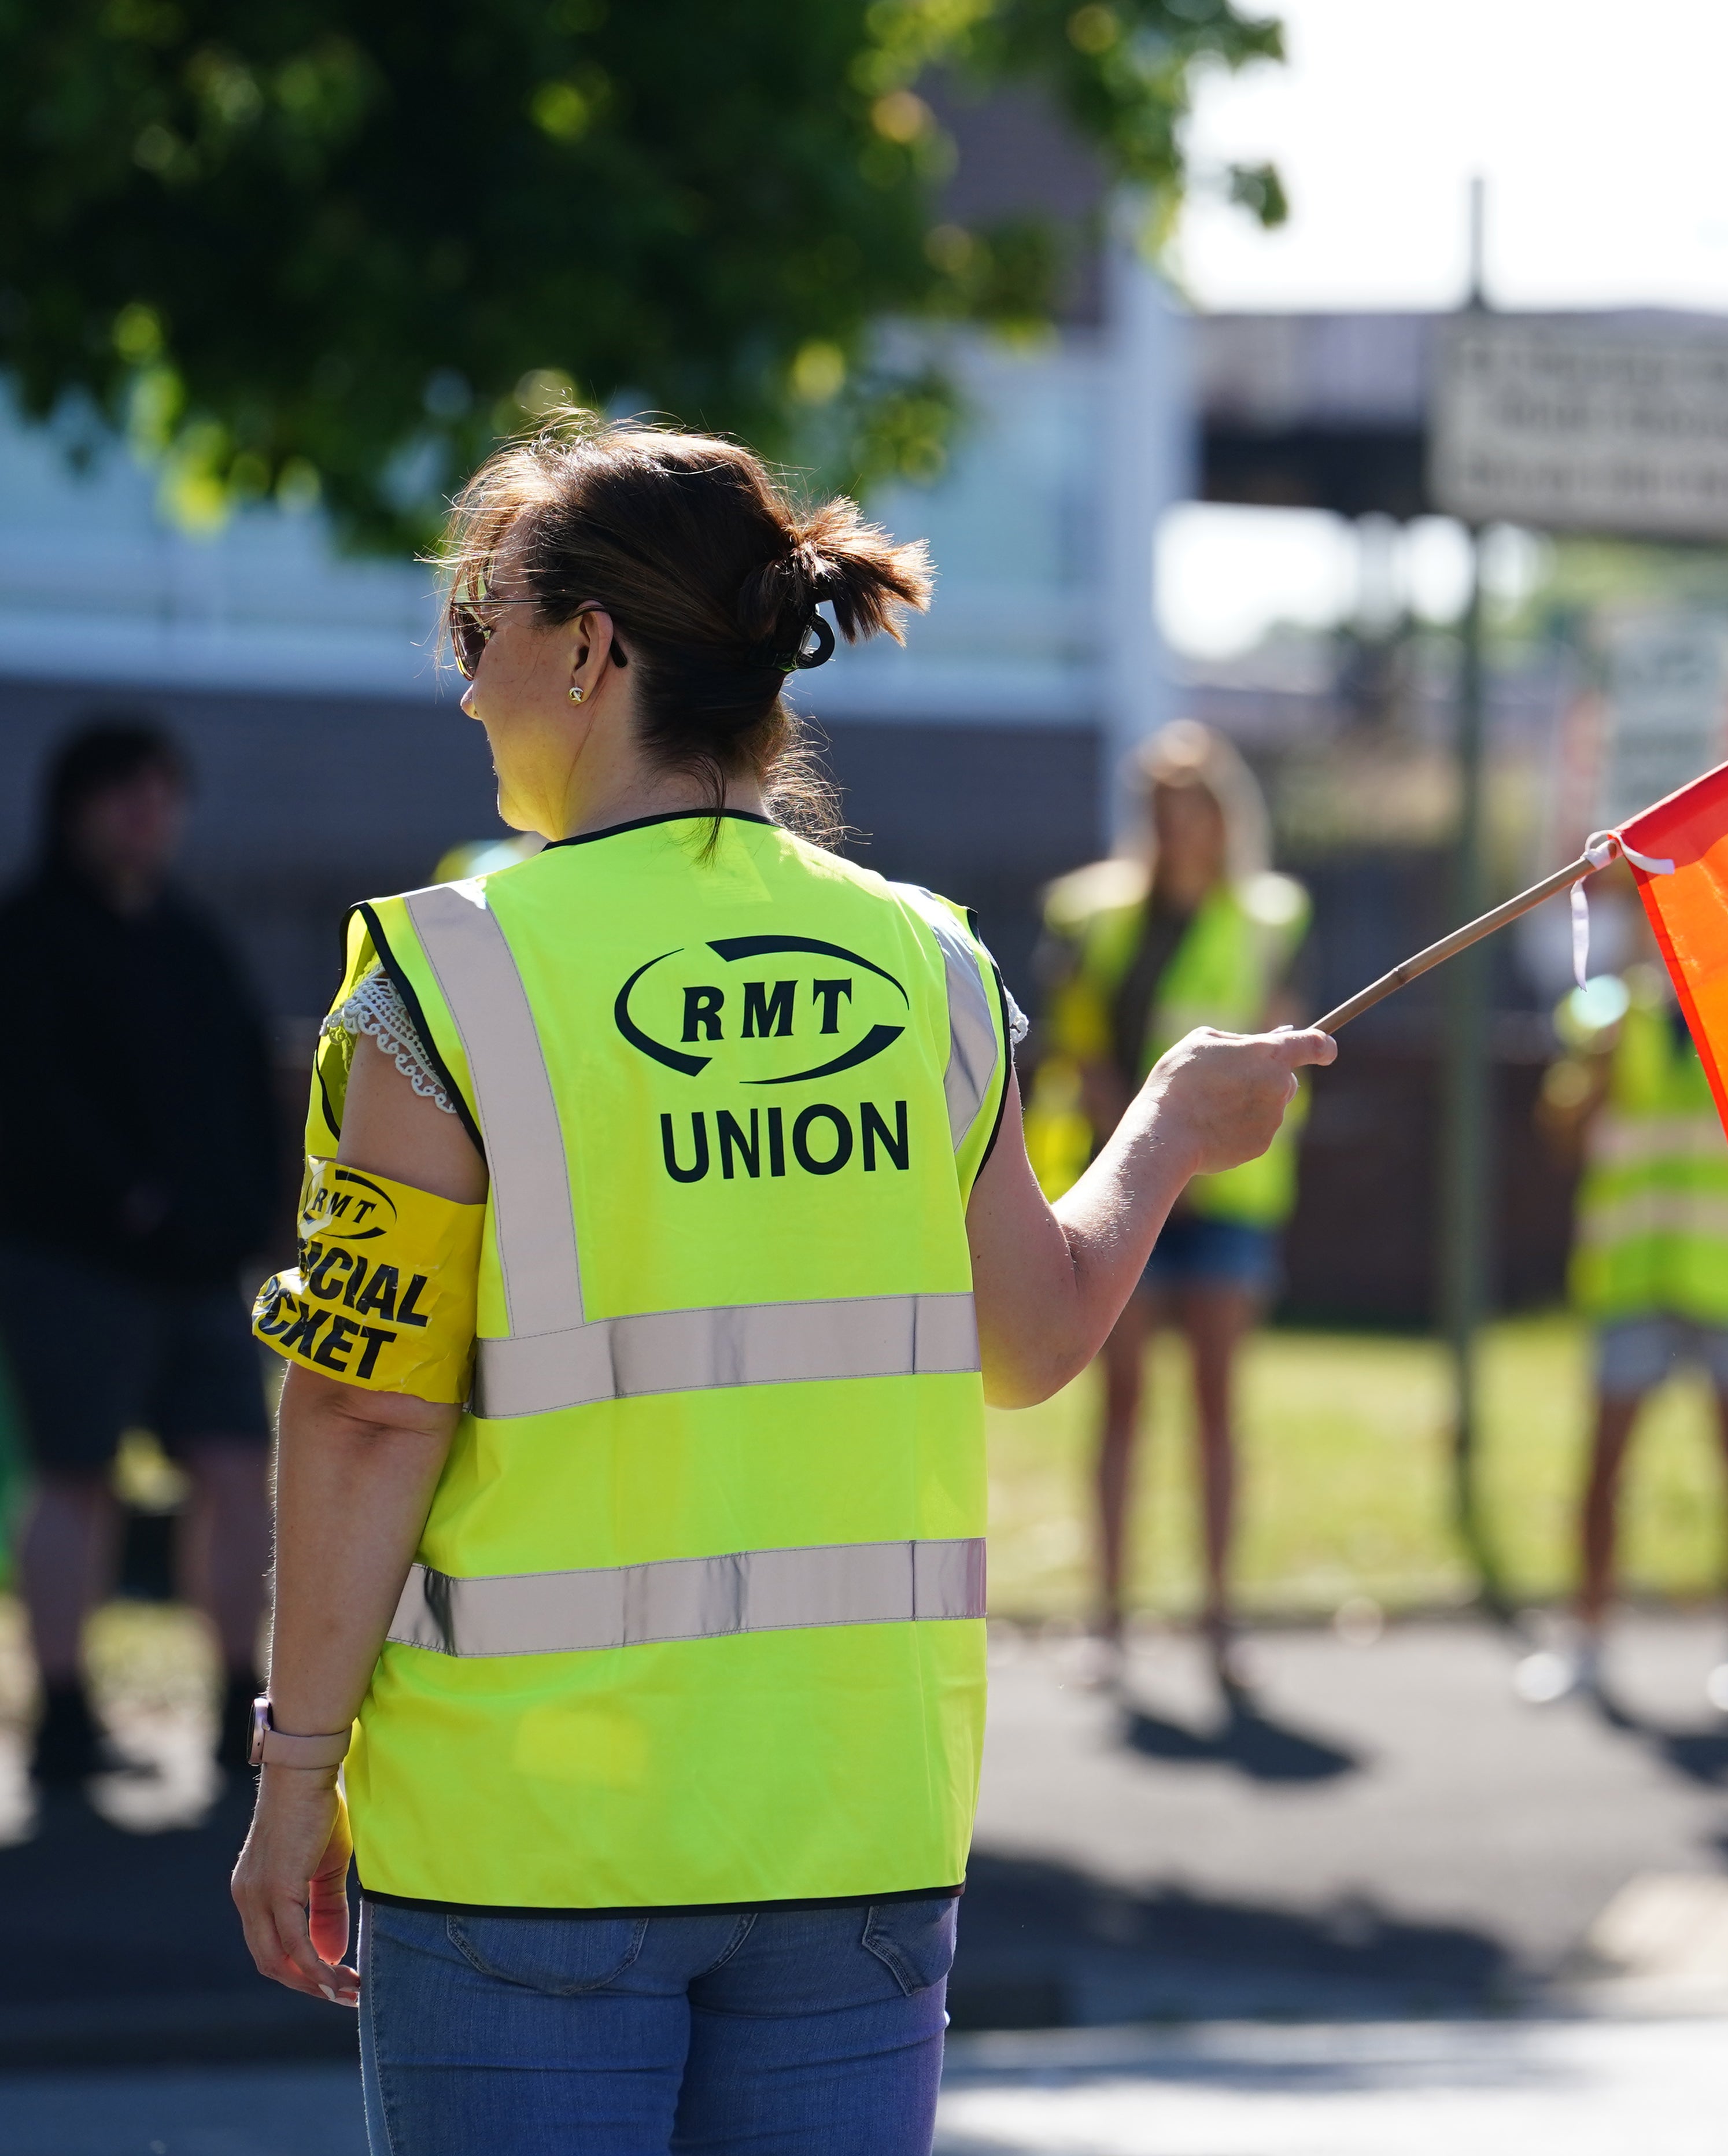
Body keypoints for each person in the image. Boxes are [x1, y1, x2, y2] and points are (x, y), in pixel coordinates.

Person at [221, 416, 1328, 2153]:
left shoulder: (448, 982)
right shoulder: (932, 964)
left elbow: (366, 1415)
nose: (462, 690)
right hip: (855, 1832)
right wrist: (1168, 1135)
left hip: (532, 1842)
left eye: (476, 632)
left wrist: (295, 1777)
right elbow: (1035, 1340)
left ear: (588, 649)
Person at [0, 716, 293, 1792]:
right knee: (78, 1480)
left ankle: (233, 1701)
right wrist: (125, 1201)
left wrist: (256, 1213)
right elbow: (33, 1108)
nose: (149, 816)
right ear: (78, 808)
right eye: (128, 796)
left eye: (163, 796)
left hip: (203, 1270)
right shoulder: (29, 940)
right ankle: (69, 1709)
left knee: (233, 1472)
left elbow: (250, 1087)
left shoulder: (192, 940)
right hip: (69, 1266)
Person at [1027, 723, 1306, 1700]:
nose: (1183, 826)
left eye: (1199, 808)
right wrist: (1134, 1140)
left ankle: (1222, 1622)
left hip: (1228, 1197)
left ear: (1225, 817)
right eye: (1165, 809)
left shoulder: (1270, 917)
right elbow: (1076, 1042)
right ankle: (1107, 1619)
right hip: (1127, 1185)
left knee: (1219, 1406)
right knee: (1123, 1401)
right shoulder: (1093, 914)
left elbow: (1282, 1037)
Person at [1519, 931, 1728, 1718]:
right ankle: (1589, 1639)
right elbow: (1562, 1135)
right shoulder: (1603, 1014)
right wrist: (1594, 1069)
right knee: (1604, 1465)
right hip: (1634, 1274)